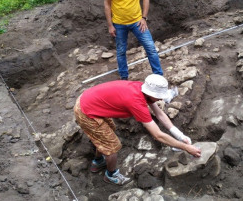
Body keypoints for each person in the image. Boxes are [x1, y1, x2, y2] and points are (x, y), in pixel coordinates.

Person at [73, 74, 201, 185]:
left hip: (91, 101)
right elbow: (158, 135)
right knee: (112, 146)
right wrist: (186, 148)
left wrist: (180, 136)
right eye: (159, 96)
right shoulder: (136, 102)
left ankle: (98, 161)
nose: (161, 99)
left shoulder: (143, 89)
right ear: (151, 94)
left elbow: (160, 114)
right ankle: (110, 175)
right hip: (85, 111)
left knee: (106, 135)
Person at [101, 0, 163, 80]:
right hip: (119, 24)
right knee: (121, 51)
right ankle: (124, 79)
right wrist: (110, 25)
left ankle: (159, 77)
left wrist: (144, 18)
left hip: (137, 22)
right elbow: (107, 4)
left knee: (151, 48)